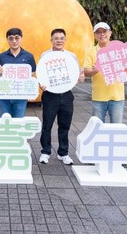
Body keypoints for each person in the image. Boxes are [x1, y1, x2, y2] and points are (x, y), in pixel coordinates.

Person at [39, 29, 85, 165]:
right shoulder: (45, 55)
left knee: (64, 125)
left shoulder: (71, 56)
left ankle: (63, 153)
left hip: (66, 95)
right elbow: (42, 75)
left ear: (65, 40)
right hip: (50, 96)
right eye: (56, 38)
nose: (59, 40)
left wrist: (80, 78)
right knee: (47, 125)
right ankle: (45, 152)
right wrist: (41, 84)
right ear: (51, 40)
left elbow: (77, 76)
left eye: (61, 38)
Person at [83, 22, 125, 123]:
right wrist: (95, 70)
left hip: (117, 97)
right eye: (98, 32)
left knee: (116, 129)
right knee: (98, 129)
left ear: (110, 33)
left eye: (104, 31)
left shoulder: (119, 48)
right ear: (95, 35)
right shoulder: (91, 51)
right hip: (98, 97)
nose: (102, 34)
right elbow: (86, 71)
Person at [0, 28, 36, 118]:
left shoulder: (29, 56)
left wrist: (31, 92)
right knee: (5, 121)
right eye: (11, 38)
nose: (14, 41)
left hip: (21, 96)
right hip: (4, 96)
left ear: (21, 38)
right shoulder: (1, 56)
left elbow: (32, 76)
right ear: (7, 40)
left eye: (17, 38)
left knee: (19, 122)